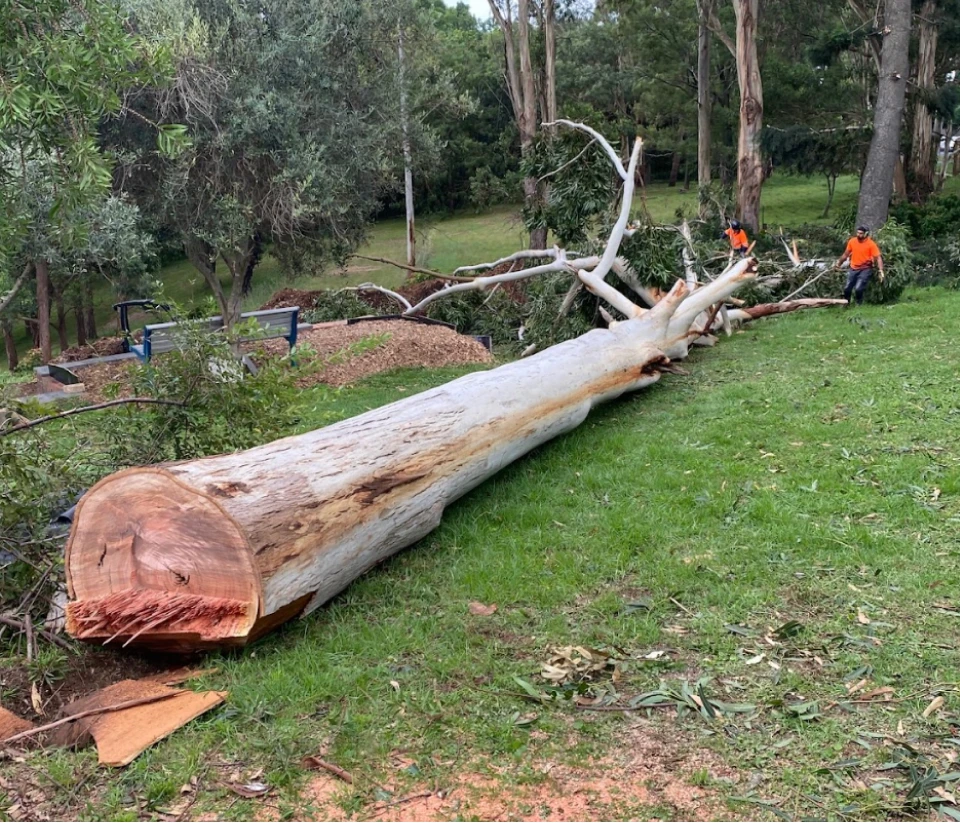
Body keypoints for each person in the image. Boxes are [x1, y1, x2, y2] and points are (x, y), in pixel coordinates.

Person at [835, 225, 885, 306]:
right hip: (853, 268)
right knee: (847, 288)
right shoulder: (852, 241)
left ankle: (859, 304)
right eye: (857, 233)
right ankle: (846, 304)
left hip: (865, 269)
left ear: (866, 234)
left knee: (858, 288)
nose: (858, 235)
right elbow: (845, 254)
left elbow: (878, 258)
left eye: (861, 233)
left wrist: (881, 270)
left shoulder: (871, 244)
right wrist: (838, 264)